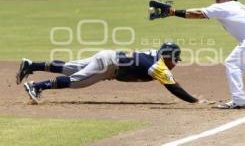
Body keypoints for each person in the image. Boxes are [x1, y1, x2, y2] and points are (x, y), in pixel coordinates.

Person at [158, 0, 245, 109]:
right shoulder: (240, 7)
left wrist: (173, 12)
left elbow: (198, 13)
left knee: (232, 63)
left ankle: (238, 100)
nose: (216, 0)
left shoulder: (225, 6)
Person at [16, 42, 198, 104]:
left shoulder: (154, 55)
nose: (175, 63)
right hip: (110, 65)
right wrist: (194, 100)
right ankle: (37, 86)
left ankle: (31, 65)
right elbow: (174, 87)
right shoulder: (158, 66)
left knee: (70, 67)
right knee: (77, 80)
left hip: (109, 57)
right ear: (167, 57)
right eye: (175, 59)